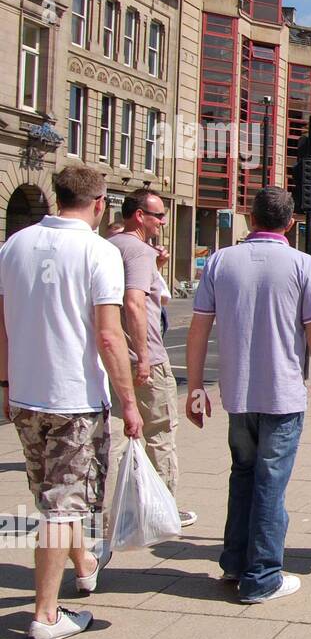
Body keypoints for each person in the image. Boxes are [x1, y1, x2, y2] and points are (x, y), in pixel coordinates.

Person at [0, 165, 142, 639]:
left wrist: (3, 383)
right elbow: (108, 335)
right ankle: (44, 614)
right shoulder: (99, 252)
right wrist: (129, 402)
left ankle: (83, 565)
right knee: (62, 507)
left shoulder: (14, 245)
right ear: (100, 204)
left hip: (25, 396)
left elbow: (2, 323)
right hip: (73, 400)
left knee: (56, 494)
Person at [185, 187, 311, 603]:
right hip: (283, 394)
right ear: (290, 223)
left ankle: (234, 561)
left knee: (243, 474)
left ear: (250, 218)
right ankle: (263, 576)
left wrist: (196, 386)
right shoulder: (304, 265)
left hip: (237, 392)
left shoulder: (220, 261)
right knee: (271, 482)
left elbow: (199, 329)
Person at [108, 189, 193, 527]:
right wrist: (143, 356)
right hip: (146, 359)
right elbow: (133, 303)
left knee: (115, 437)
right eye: (158, 215)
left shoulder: (107, 246)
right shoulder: (140, 250)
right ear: (139, 216)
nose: (162, 222)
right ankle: (162, 510)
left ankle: (113, 512)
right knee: (160, 434)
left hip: (109, 356)